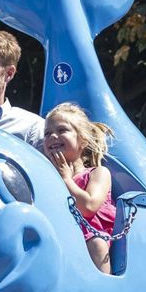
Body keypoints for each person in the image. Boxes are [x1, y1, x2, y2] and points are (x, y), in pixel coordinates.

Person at [44, 102, 115, 274]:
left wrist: (66, 179)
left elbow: (89, 207)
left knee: (96, 244)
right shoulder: (47, 179)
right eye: (47, 133)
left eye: (62, 130)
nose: (53, 136)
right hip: (60, 240)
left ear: (82, 140)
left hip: (89, 240)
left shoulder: (98, 173)